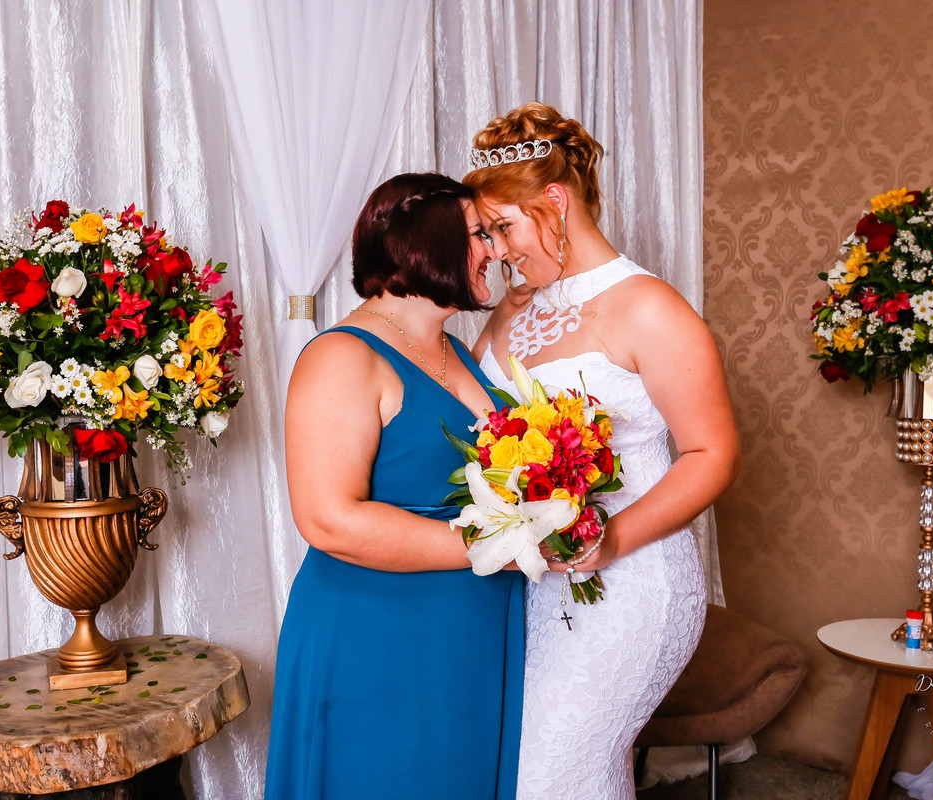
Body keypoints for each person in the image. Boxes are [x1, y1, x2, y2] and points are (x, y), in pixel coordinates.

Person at [464, 102, 741, 799]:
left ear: (555, 202)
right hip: (530, 582)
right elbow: (479, 425)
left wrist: (612, 539)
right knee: (527, 772)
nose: (497, 250)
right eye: (489, 233)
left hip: (634, 580)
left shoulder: (648, 307)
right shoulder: (512, 310)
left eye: (504, 227)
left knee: (551, 773)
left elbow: (711, 453)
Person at [264, 173, 522, 800]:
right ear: (426, 243)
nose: (495, 250)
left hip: (468, 630)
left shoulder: (455, 351)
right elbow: (328, 519)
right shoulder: (342, 356)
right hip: (379, 634)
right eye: (479, 234)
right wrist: (499, 543)